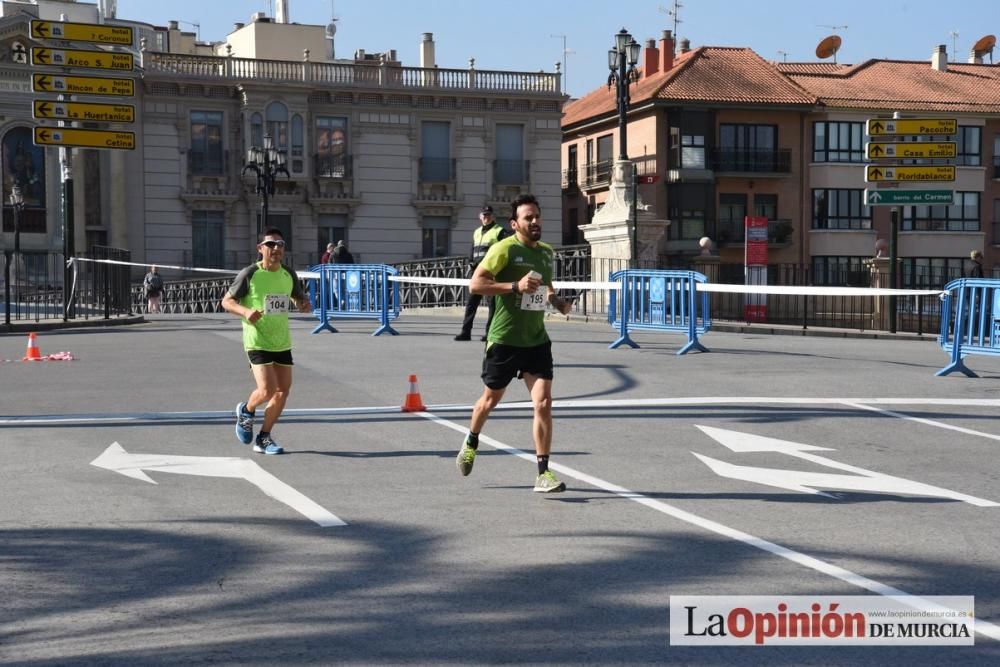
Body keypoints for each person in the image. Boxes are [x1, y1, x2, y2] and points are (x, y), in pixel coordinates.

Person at [455, 193, 574, 493]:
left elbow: (546, 288)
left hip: (535, 340)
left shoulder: (546, 252)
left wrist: (558, 302)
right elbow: (476, 284)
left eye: (537, 216)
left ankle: (543, 473)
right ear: (515, 224)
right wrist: (513, 286)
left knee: (544, 403)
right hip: (505, 339)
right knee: (489, 401)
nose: (535, 222)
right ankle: (471, 440)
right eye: (528, 218)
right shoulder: (503, 249)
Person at [221, 228, 311, 455]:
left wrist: (303, 304)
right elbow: (227, 301)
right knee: (267, 390)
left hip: (281, 340)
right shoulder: (250, 273)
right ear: (260, 248)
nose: (276, 249)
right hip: (257, 339)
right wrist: (245, 311)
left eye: (280, 244)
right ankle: (247, 410)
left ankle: (264, 437)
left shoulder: (287, 273)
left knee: (283, 391)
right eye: (270, 244)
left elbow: (297, 296)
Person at [455, 204, 509, 341]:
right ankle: (465, 332)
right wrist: (471, 263)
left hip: (491, 272)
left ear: (493, 216)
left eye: (489, 215)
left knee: (492, 304)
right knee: (471, 303)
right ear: (480, 217)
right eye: (484, 215)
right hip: (477, 272)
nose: (486, 217)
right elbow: (472, 250)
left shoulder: (499, 231)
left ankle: (489, 333)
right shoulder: (477, 231)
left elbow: (505, 249)